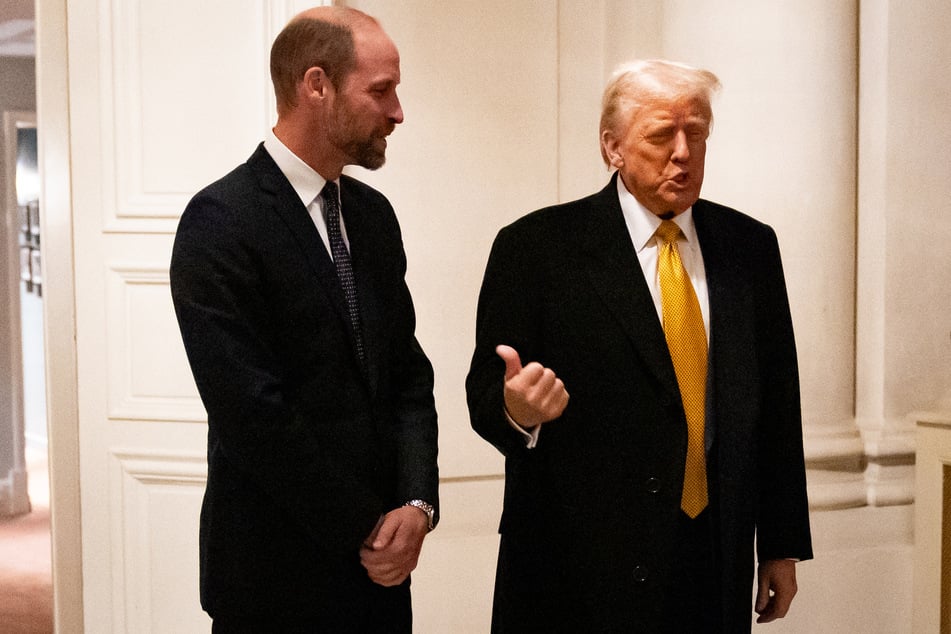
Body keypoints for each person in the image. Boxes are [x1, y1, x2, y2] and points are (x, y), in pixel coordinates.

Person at [466, 59, 812, 632]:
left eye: (696, 134)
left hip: (711, 555)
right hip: (578, 569)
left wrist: (780, 543)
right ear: (613, 148)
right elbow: (484, 396)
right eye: (660, 135)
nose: (683, 151)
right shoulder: (537, 248)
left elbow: (776, 402)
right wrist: (516, 410)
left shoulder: (749, 247)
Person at [170, 7, 438, 632]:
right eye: (381, 90)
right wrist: (367, 526)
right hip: (273, 579)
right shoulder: (220, 221)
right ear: (315, 85)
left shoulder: (373, 217)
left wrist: (417, 503)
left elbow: (407, 375)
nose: (397, 111)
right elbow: (253, 414)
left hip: (381, 578)